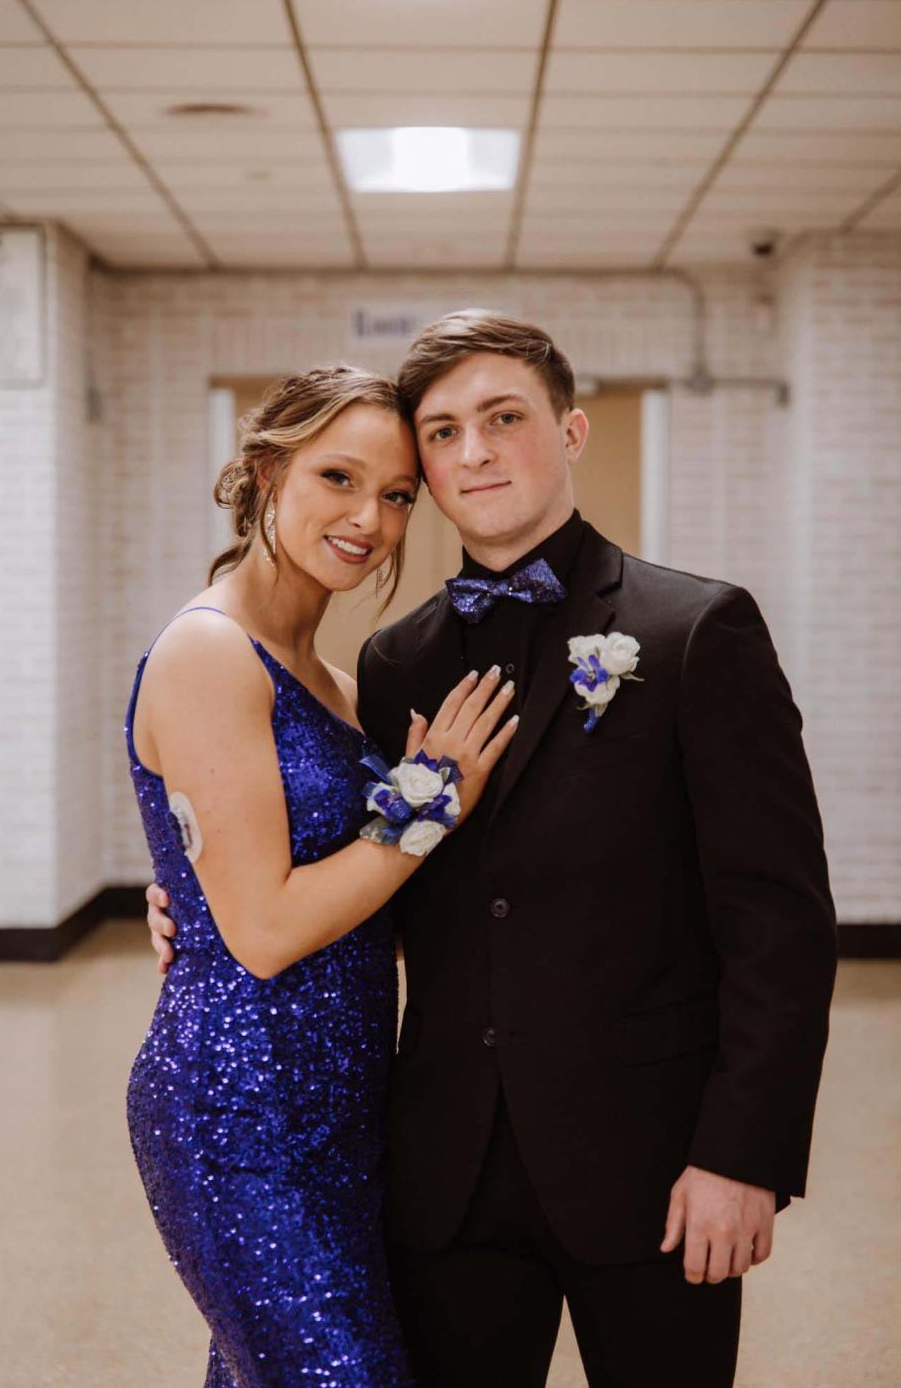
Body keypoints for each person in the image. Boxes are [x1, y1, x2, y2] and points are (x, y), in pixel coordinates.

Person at [147, 314, 838, 1388]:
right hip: (439, 1169)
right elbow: (336, 851)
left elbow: (781, 924)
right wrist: (186, 895)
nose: (474, 451)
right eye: (445, 431)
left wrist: (742, 1154)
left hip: (654, 1166)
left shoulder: (698, 628)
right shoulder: (390, 660)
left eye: (503, 418)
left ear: (567, 430)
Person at [124, 364, 518, 1388]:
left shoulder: (337, 681)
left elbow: (251, 846)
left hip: (343, 1102)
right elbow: (261, 929)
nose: (370, 519)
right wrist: (433, 803)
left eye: (394, 495)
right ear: (265, 472)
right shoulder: (211, 650)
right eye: (338, 477)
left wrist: (173, 881)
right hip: (240, 1107)